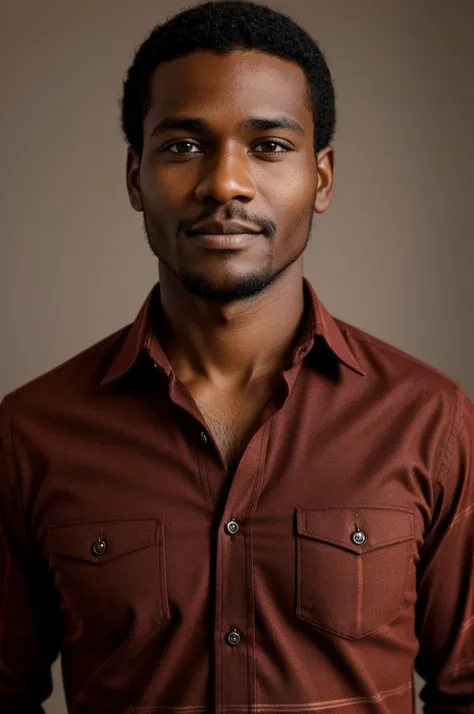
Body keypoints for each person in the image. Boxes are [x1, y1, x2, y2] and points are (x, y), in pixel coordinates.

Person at [0, 1, 472, 712]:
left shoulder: (431, 420)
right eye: (184, 146)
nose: (225, 183)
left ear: (322, 177)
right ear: (135, 175)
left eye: (270, 146)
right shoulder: (30, 433)